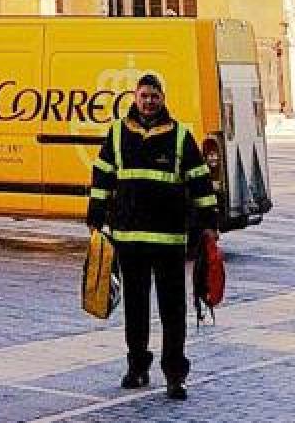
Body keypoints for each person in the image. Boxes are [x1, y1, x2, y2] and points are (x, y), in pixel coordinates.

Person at [86, 74, 218, 401]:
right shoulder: (117, 134)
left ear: (163, 98)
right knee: (136, 308)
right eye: (144, 96)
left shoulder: (179, 137)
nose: (148, 102)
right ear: (135, 97)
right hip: (129, 240)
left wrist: (208, 225)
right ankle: (137, 367)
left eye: (154, 96)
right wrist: (95, 219)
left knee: (173, 311)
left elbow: (201, 183)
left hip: (170, 241)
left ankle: (175, 376)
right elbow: (102, 178)